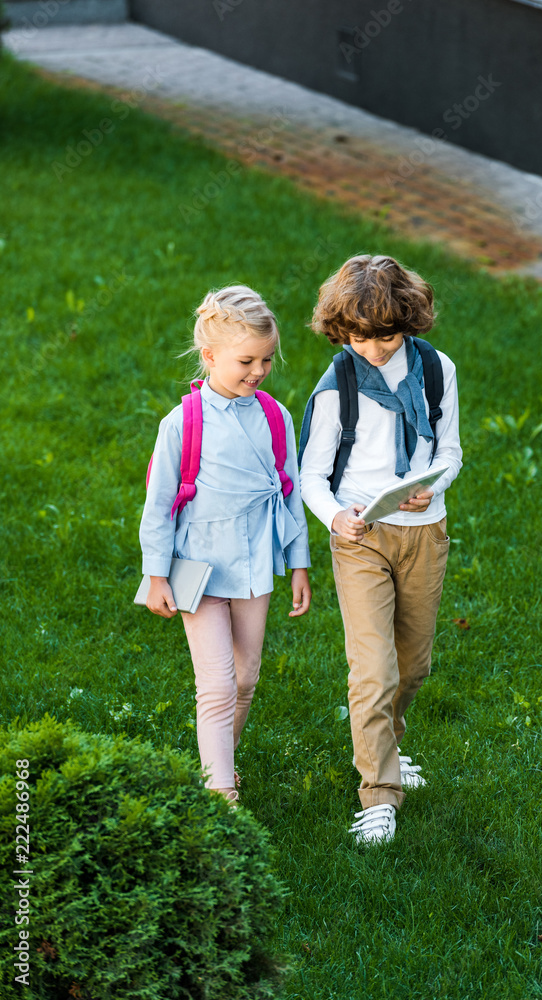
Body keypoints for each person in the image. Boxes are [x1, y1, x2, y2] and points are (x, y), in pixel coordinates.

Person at [299, 255, 462, 843]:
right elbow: (311, 476)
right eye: (361, 339)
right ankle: (379, 794)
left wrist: (430, 486)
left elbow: (450, 453)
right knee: (372, 670)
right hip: (362, 538)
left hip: (424, 532)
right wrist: (336, 516)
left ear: (410, 324)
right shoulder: (335, 387)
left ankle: (385, 748)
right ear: (341, 332)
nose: (375, 351)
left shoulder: (437, 371)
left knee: (411, 666)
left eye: (388, 337)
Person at [140, 285, 311, 806]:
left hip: (257, 563)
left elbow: (291, 492)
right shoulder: (183, 424)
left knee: (246, 679)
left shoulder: (276, 417)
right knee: (216, 683)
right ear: (210, 356)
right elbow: (159, 505)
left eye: (266, 359)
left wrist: (298, 562)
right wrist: (156, 573)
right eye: (246, 360)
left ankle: (220, 762)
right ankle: (221, 792)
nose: (258, 370)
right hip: (199, 565)